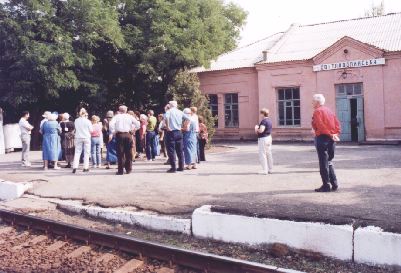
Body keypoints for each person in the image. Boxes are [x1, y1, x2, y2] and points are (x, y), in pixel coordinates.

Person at [312, 94, 341, 192]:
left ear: (317, 102)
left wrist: (329, 133)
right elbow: (337, 124)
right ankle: (334, 183)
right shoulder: (329, 111)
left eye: (313, 101)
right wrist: (335, 134)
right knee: (329, 161)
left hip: (322, 138)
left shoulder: (317, 111)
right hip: (332, 138)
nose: (312, 103)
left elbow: (320, 125)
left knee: (323, 162)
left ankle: (326, 185)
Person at [109, 105, 140, 175]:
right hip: (128, 134)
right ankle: (128, 169)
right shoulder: (129, 116)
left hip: (119, 135)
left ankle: (120, 171)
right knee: (128, 152)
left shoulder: (116, 117)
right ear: (126, 110)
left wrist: (113, 131)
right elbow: (138, 124)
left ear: (119, 110)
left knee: (120, 153)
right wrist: (133, 130)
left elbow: (111, 124)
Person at [164, 101, 187, 173]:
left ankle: (173, 168)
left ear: (170, 105)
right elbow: (188, 118)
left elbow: (166, 118)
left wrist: (167, 127)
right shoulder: (180, 112)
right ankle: (181, 167)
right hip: (179, 132)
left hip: (171, 132)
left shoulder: (169, 111)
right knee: (180, 151)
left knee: (171, 151)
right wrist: (184, 126)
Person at [72, 108, 93, 173]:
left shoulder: (76, 120)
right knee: (86, 153)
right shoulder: (88, 121)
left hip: (78, 137)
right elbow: (91, 130)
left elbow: (75, 128)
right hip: (86, 137)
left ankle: (75, 167)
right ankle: (85, 167)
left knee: (77, 152)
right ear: (85, 113)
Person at [254, 108, 273, 175]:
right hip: (269, 138)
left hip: (263, 139)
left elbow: (261, 130)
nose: (260, 115)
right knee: (269, 153)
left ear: (262, 113)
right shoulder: (269, 121)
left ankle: (265, 170)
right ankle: (270, 169)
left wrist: (256, 128)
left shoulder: (264, 121)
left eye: (261, 113)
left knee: (262, 154)